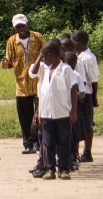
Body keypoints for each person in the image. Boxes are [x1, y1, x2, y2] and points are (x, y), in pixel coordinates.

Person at [31, 39, 78, 180]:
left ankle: (64, 169)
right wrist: (39, 111)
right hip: (46, 114)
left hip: (62, 113)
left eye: (44, 56)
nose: (43, 60)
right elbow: (44, 94)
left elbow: (74, 89)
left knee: (64, 142)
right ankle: (50, 169)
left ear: (50, 55)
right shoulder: (46, 70)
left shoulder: (66, 69)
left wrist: (73, 111)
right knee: (48, 142)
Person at [1, 13, 46, 153]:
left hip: (38, 83)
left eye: (22, 25)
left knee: (40, 115)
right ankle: (28, 144)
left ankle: (39, 142)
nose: (20, 28)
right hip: (21, 85)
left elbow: (46, 54)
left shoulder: (37, 37)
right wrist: (6, 65)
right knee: (25, 117)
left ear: (27, 24)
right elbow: (9, 60)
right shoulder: (12, 41)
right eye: (17, 26)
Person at [71, 29, 99, 162]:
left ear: (78, 42)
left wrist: (94, 98)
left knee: (87, 124)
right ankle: (75, 153)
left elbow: (94, 80)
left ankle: (87, 152)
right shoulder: (79, 56)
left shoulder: (87, 58)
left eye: (72, 41)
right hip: (80, 94)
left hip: (86, 94)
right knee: (77, 123)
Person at [64, 51, 86, 171]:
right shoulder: (62, 73)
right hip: (63, 108)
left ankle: (73, 156)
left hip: (73, 108)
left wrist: (73, 95)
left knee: (75, 134)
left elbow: (82, 94)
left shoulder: (76, 75)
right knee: (66, 134)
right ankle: (65, 158)